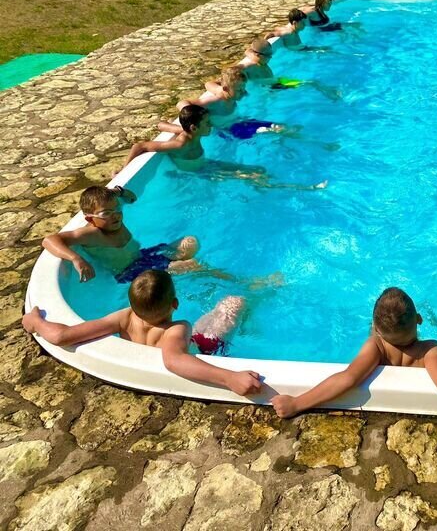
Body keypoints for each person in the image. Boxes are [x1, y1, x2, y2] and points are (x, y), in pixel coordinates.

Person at [271, 288, 437, 432]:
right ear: (418, 320)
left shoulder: (375, 345)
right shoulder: (430, 350)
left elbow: (348, 378)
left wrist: (297, 403)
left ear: (376, 329)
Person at [22, 270, 262, 395]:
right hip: (205, 348)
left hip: (177, 342)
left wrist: (36, 322)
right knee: (234, 303)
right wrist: (229, 378)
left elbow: (62, 336)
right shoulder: (177, 328)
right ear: (175, 304)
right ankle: (260, 288)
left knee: (226, 306)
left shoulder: (123, 317)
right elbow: (174, 360)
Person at [123, 105, 327, 189]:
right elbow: (141, 146)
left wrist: (162, 125)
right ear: (194, 127)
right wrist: (123, 170)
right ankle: (303, 189)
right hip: (201, 174)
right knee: (255, 177)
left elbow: (172, 127)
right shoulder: (179, 144)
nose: (211, 126)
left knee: (258, 169)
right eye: (207, 123)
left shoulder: (189, 133)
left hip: (207, 165)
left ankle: (265, 188)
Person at [42, 185, 200, 283]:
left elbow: (131, 198)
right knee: (192, 265)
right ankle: (213, 279)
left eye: (117, 209)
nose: (115, 215)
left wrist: (116, 192)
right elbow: (49, 240)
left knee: (189, 242)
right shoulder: (91, 234)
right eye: (106, 213)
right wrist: (76, 258)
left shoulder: (114, 219)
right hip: (131, 273)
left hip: (143, 257)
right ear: (90, 219)